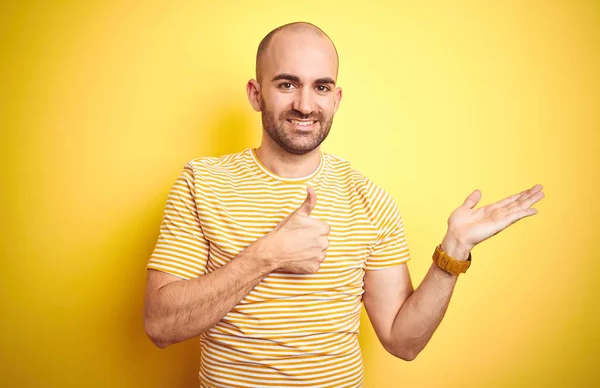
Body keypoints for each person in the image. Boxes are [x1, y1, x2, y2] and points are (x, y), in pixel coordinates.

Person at [143, 22, 545, 387]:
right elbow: (160, 325)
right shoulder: (202, 182)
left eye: (320, 87)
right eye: (286, 84)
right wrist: (268, 255)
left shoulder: (370, 200)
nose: (305, 104)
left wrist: (454, 252)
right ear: (255, 93)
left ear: (336, 99)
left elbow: (403, 342)